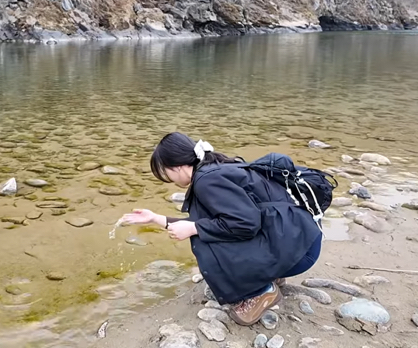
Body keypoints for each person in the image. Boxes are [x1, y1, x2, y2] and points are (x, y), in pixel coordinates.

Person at [119, 132, 323, 326]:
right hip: (300, 241)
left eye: (166, 173)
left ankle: (262, 290)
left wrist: (195, 228)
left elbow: (246, 223)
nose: (170, 180)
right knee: (206, 230)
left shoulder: (207, 180)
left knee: (205, 241)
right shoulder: (215, 167)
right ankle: (270, 273)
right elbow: (221, 220)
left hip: (300, 252)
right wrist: (155, 218)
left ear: (178, 166)